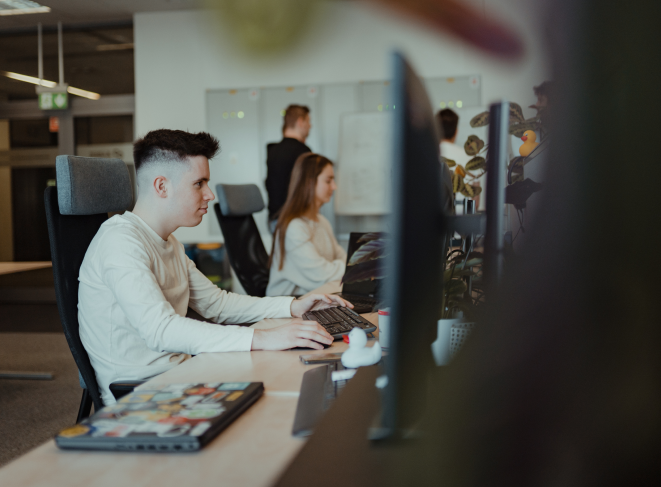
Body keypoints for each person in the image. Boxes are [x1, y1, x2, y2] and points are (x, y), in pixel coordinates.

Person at [78, 129, 350, 405]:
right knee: (285, 393)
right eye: (199, 184)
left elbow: (216, 305)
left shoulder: (169, 242)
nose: (209, 194)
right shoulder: (120, 242)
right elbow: (161, 330)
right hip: (141, 395)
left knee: (299, 375)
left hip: (183, 374)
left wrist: (292, 306)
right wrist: (263, 338)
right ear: (161, 186)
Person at [266, 153, 346, 296]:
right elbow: (321, 274)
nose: (334, 187)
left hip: (312, 297)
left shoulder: (322, 221)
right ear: (309, 182)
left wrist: (354, 268)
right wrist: (355, 269)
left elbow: (342, 257)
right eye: (328, 181)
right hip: (288, 306)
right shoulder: (294, 227)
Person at [265, 105, 312, 230]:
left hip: (274, 220)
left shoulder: (272, 150)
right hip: (293, 221)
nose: (310, 126)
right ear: (300, 122)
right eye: (308, 121)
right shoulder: (304, 152)